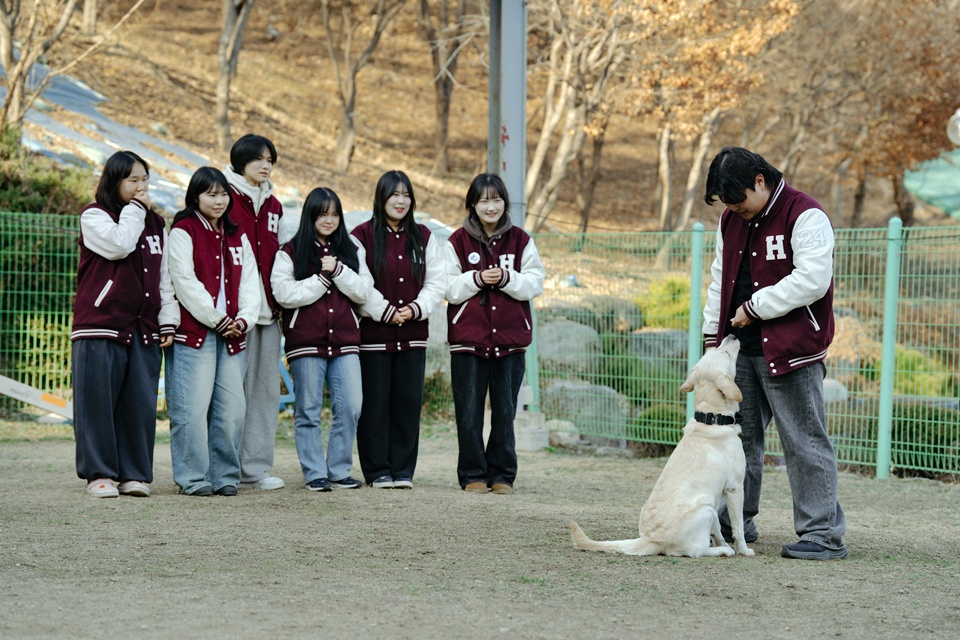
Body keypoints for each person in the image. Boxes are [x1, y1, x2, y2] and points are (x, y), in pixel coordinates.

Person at [702, 146, 847, 560]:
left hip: (793, 349)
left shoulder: (806, 214)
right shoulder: (731, 219)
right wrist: (713, 342)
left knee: (804, 441)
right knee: (739, 440)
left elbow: (813, 280)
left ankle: (822, 534)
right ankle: (735, 522)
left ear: (760, 182)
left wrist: (755, 307)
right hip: (738, 350)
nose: (734, 209)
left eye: (739, 200)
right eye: (727, 203)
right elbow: (718, 282)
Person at [70, 150, 179, 498]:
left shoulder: (156, 223)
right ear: (114, 181)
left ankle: (134, 475)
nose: (141, 187)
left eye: (145, 179)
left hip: (143, 326)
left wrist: (167, 320)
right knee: (97, 402)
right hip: (100, 322)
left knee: (139, 404)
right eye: (133, 180)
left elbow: (164, 276)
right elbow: (119, 245)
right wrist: (135, 210)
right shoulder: (94, 216)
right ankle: (99, 475)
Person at [444, 173, 544, 494]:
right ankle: (472, 473)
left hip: (511, 340)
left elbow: (535, 282)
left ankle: (502, 475)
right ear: (472, 203)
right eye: (484, 200)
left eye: (497, 199)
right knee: (469, 410)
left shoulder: (521, 240)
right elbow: (448, 288)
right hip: (467, 339)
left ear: (505, 203)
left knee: (505, 411)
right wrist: (476, 278)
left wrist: (505, 277)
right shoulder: (456, 242)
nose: (491, 206)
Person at [166, 167, 260, 496]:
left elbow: (251, 281)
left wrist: (246, 319)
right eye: (211, 194)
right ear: (196, 196)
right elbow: (185, 283)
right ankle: (193, 478)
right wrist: (217, 317)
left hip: (234, 333)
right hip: (196, 332)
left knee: (232, 410)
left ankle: (225, 476)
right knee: (191, 409)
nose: (218, 200)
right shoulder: (183, 230)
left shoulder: (238, 235)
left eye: (223, 194)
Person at [271, 188, 373, 492]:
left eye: (334, 214)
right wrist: (320, 279)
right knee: (308, 409)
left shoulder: (352, 248)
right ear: (310, 215)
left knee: (352, 406)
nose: (329, 220)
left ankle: (339, 470)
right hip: (306, 341)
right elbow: (284, 294)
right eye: (322, 213)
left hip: (345, 341)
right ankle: (314, 472)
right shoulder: (290, 250)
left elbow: (364, 291)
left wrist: (339, 270)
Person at [351, 170, 446, 489]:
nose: (401, 201)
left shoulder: (425, 236)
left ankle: (403, 470)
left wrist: (415, 309)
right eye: (394, 194)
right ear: (381, 198)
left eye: (406, 195)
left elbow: (436, 282)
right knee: (374, 406)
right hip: (374, 337)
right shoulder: (361, 235)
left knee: (407, 404)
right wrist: (387, 312)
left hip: (413, 336)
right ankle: (377, 471)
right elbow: (359, 285)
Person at [223, 133, 286, 491]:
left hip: (269, 313)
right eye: (259, 159)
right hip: (232, 314)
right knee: (231, 394)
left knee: (265, 393)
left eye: (270, 160)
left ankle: (255, 468)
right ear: (240, 160)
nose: (266, 165)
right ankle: (224, 465)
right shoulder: (224, 196)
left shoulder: (275, 205)